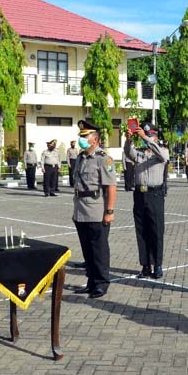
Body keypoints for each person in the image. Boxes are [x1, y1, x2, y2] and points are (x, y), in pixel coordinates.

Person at [71, 120, 116, 299]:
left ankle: (101, 283)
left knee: (99, 249)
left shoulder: (103, 158)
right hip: (81, 209)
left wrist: (109, 211)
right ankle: (91, 282)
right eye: (80, 136)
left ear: (95, 140)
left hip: (96, 210)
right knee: (87, 249)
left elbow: (110, 187)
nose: (81, 139)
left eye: (84, 136)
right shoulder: (81, 157)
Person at [125, 122, 169, 279]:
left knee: (156, 231)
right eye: (144, 137)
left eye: (149, 136)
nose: (145, 140)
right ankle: (145, 266)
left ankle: (157, 264)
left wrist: (146, 139)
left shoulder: (162, 151)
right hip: (139, 195)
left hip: (154, 195)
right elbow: (129, 153)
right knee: (142, 231)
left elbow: (163, 157)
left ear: (155, 137)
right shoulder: (140, 153)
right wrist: (129, 140)